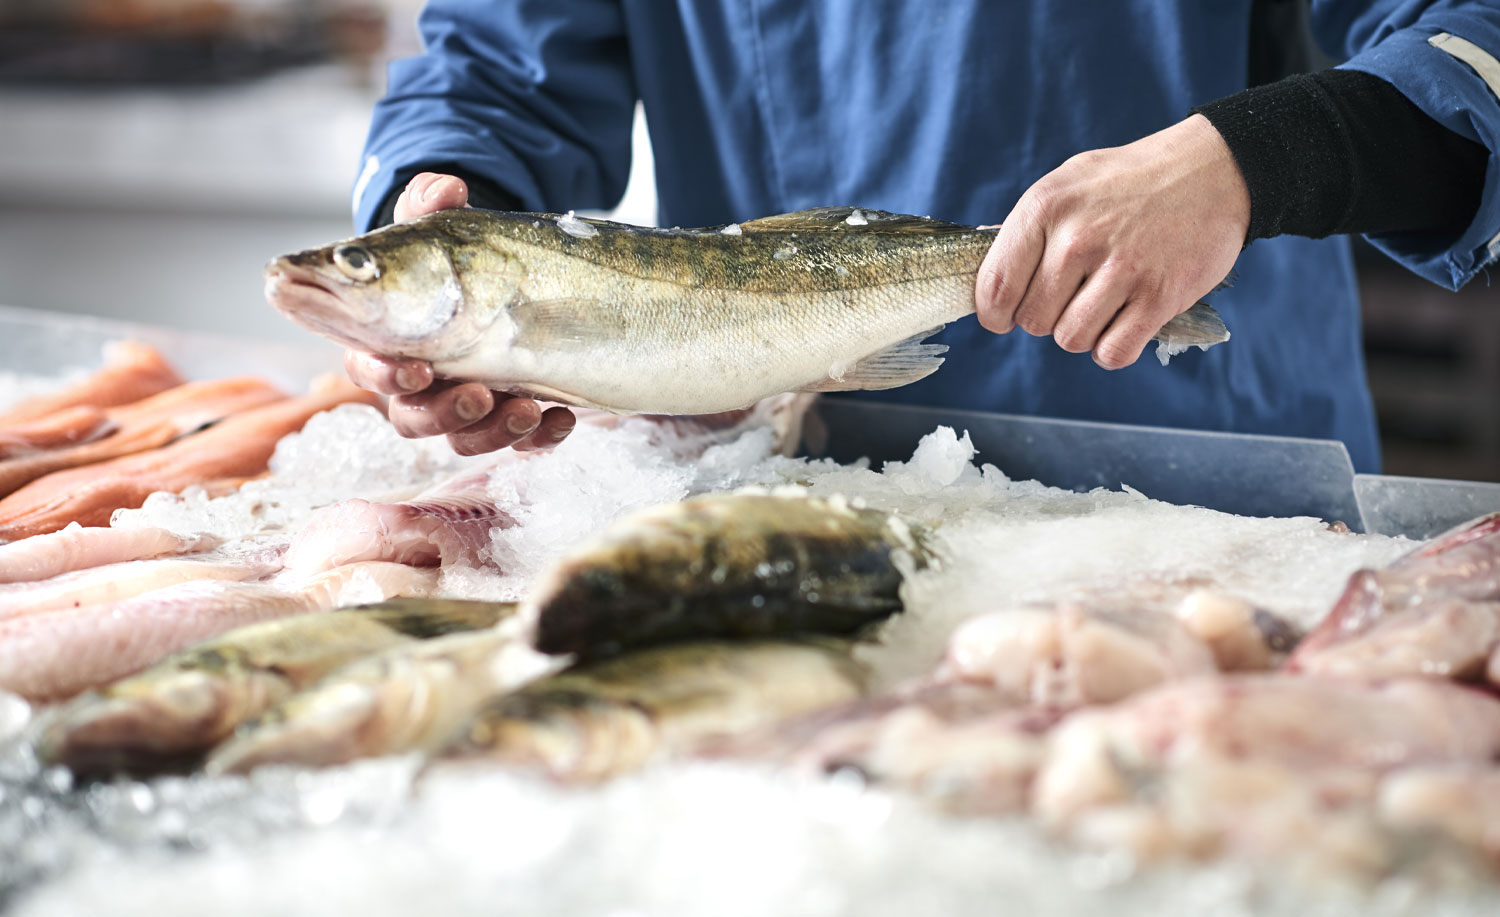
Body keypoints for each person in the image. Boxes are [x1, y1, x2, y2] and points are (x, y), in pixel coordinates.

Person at [343, 1, 1499, 472]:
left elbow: (1474, 38)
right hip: (780, 476)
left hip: (1198, 469)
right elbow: (495, 66)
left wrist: (1258, 157)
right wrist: (446, 203)